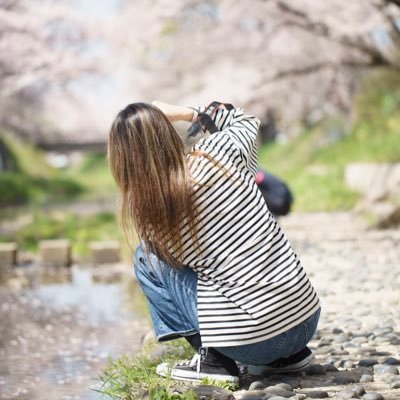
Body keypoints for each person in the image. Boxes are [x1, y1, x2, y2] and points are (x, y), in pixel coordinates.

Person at [107, 101, 321, 385]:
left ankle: (213, 361)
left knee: (147, 258)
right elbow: (244, 120)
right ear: (167, 133)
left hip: (254, 342)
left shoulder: (153, 211)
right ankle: (287, 357)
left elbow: (184, 271)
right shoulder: (220, 153)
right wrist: (188, 113)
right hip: (305, 320)